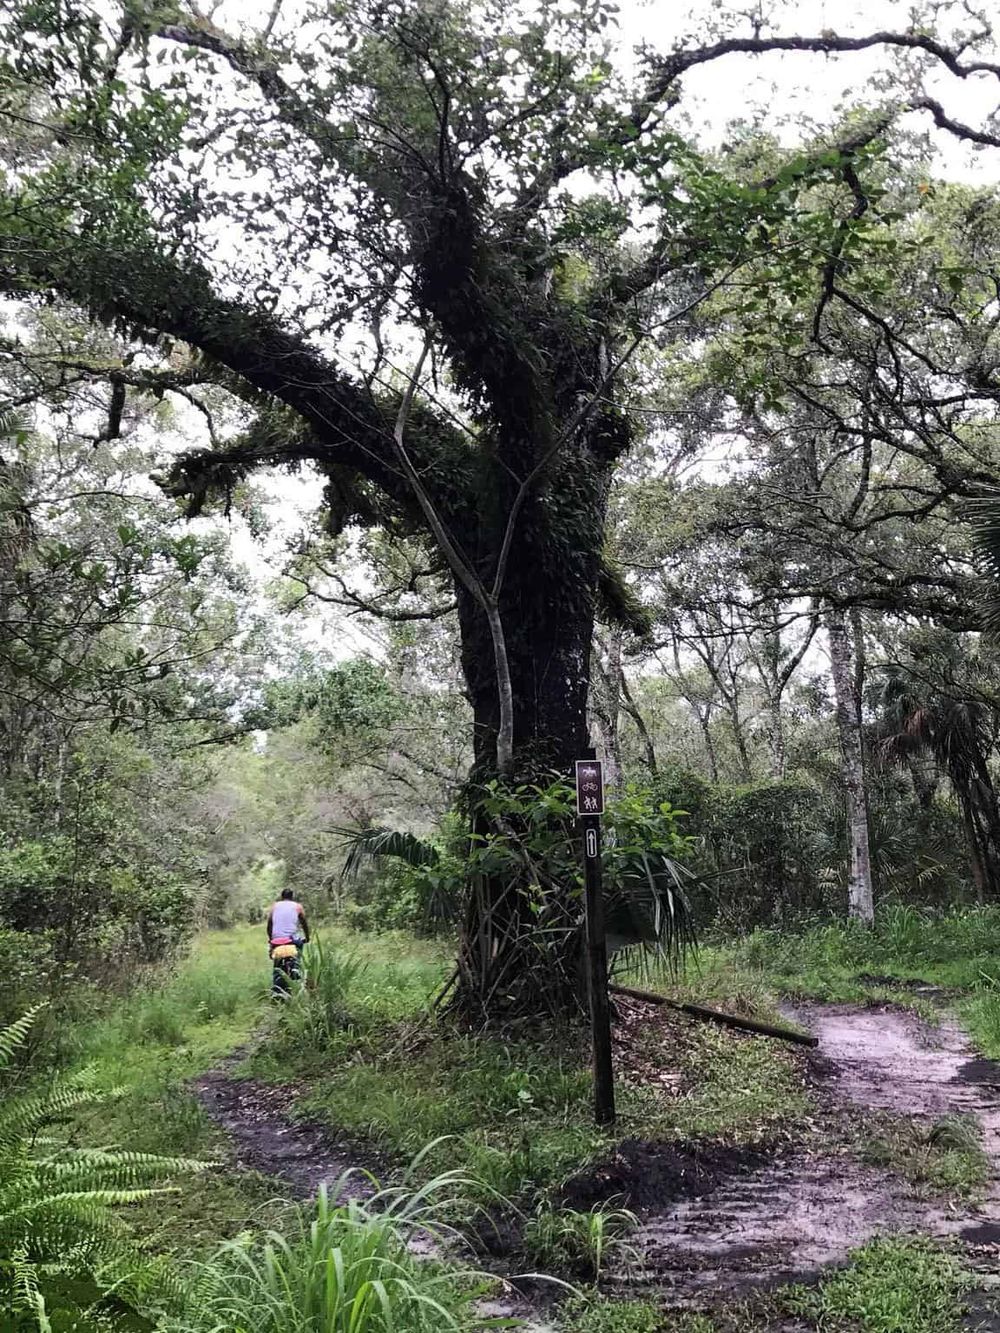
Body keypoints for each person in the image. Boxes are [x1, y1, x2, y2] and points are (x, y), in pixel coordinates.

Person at [266, 888, 310, 996]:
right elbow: (304, 923)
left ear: (282, 897)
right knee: (297, 954)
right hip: (292, 940)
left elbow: (269, 924)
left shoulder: (274, 906)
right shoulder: (297, 906)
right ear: (292, 897)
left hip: (277, 941)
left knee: (277, 965)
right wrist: (307, 937)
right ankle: (295, 972)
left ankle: (277, 991)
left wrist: (271, 939)